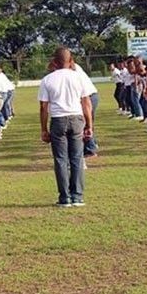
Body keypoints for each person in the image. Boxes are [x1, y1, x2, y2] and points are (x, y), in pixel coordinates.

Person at [38, 47, 94, 207]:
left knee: (61, 159)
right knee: (77, 158)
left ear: (54, 62)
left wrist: (43, 129)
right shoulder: (79, 77)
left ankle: (65, 197)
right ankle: (77, 196)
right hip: (76, 118)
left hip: (58, 120)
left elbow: (43, 107)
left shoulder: (48, 79)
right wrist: (89, 125)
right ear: (71, 61)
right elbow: (86, 103)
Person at [74, 61, 100, 157]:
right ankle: (93, 144)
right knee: (88, 123)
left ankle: (90, 149)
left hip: (88, 97)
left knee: (84, 123)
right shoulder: (75, 67)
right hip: (91, 95)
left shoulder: (72, 70)